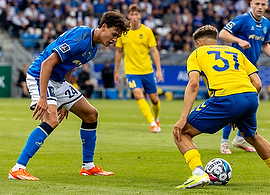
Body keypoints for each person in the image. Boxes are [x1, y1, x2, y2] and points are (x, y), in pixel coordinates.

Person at [8, 11, 130, 180]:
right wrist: (43, 97)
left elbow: (69, 66)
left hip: (58, 80)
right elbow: (47, 63)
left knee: (91, 114)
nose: (114, 40)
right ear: (103, 27)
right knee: (51, 120)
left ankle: (88, 166)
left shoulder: (92, 49)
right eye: (114, 34)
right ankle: (18, 168)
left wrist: (66, 101)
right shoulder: (81, 37)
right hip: (40, 75)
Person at [173, 25, 270, 189]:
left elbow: (193, 85)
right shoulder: (235, 52)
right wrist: (239, 110)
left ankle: (199, 173)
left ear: (199, 43)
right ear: (215, 41)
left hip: (225, 98)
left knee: (182, 132)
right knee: (252, 136)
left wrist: (183, 118)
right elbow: (257, 83)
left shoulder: (197, 54)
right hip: (250, 97)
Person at [218, 0, 270, 154]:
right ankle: (224, 141)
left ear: (267, 6)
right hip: (236, 67)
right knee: (235, 104)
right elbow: (222, 33)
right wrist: (238, 40)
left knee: (252, 104)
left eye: (263, 4)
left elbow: (265, 44)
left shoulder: (266, 23)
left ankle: (239, 139)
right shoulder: (243, 19)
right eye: (257, 3)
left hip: (252, 68)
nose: (260, 7)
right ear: (251, 4)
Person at [114, 4, 163, 133]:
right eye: (132, 14)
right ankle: (152, 124)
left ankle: (156, 119)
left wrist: (158, 70)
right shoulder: (123, 32)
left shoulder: (147, 31)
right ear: (128, 16)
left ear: (140, 16)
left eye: (136, 14)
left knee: (155, 99)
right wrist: (116, 71)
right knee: (137, 94)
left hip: (147, 70)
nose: (134, 17)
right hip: (131, 72)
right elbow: (119, 52)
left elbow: (154, 51)